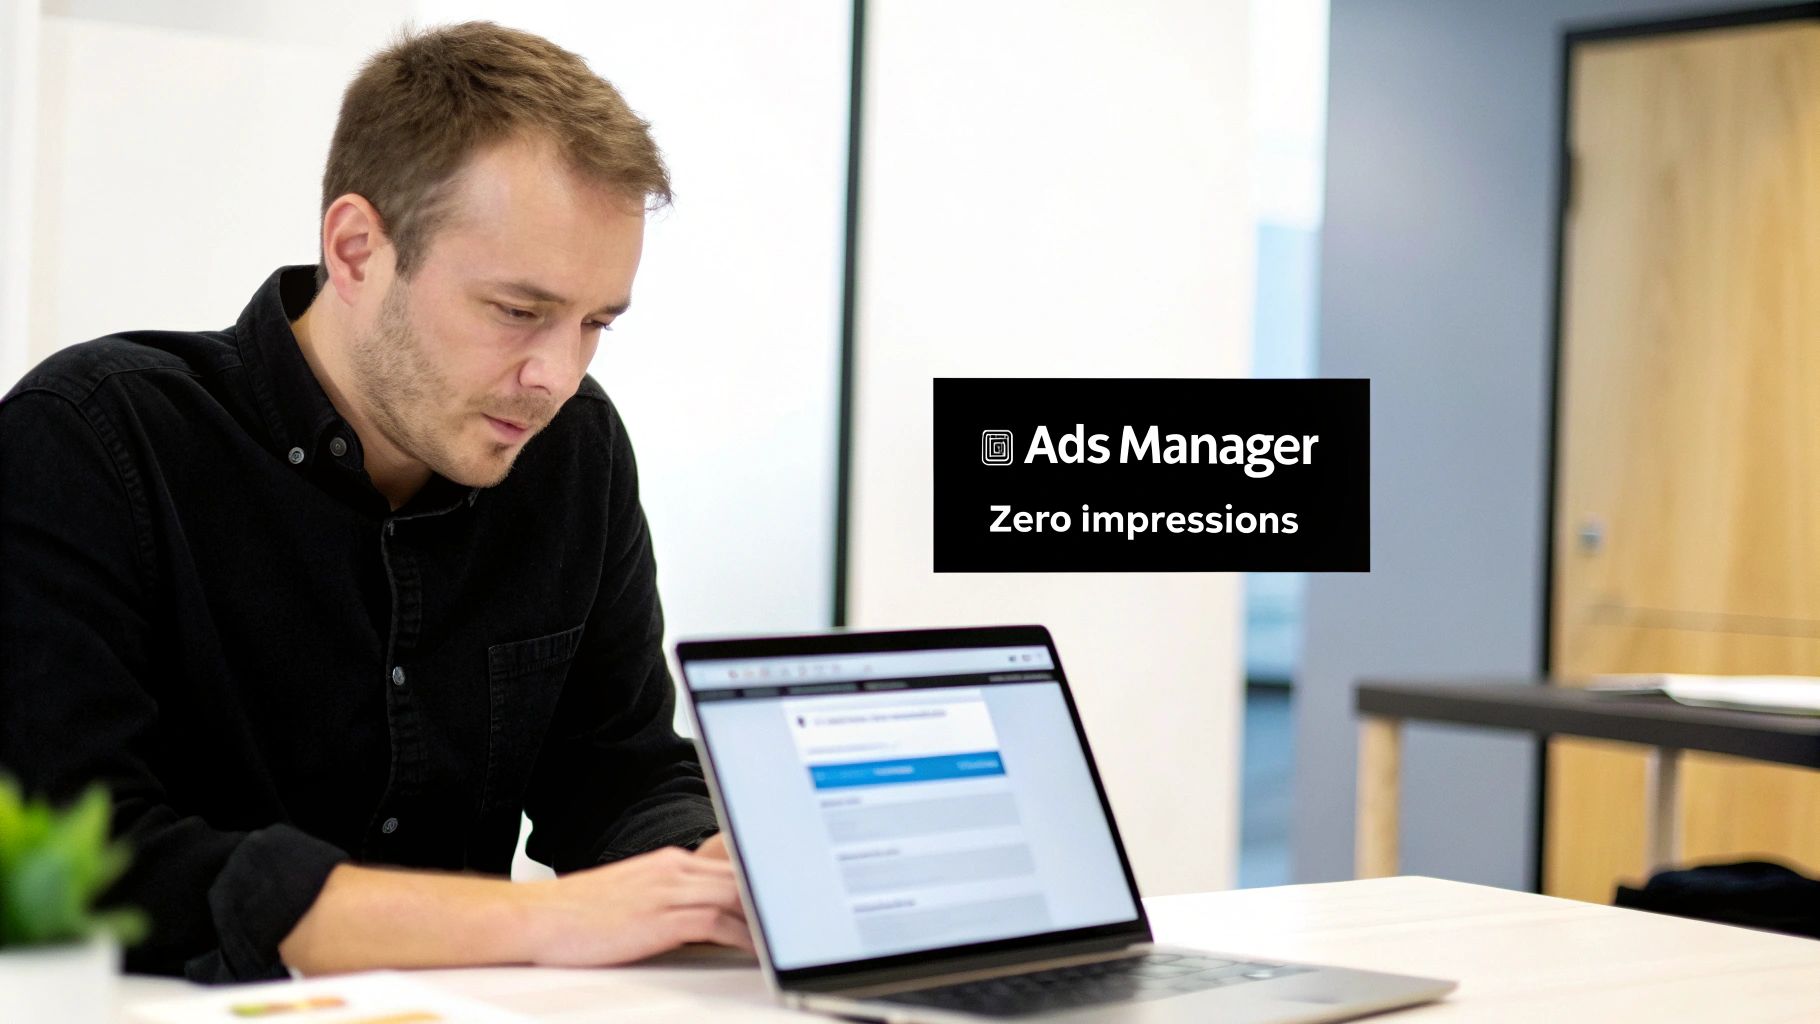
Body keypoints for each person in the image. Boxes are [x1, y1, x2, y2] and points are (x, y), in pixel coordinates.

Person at [0, 21, 750, 981]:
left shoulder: (576, 451)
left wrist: (712, 874)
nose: (556, 376)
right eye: (519, 312)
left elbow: (616, 770)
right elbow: (80, 870)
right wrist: (541, 922)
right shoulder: (93, 440)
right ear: (356, 249)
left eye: (595, 322)